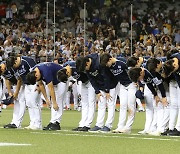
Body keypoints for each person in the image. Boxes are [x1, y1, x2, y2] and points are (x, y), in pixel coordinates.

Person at [77, 53, 118, 132]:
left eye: (86, 67)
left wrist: (107, 90)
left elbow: (106, 77)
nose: (86, 70)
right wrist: (97, 91)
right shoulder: (87, 67)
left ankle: (108, 125)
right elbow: (91, 79)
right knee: (101, 105)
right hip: (100, 86)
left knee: (110, 104)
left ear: (88, 63)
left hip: (111, 84)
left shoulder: (99, 62)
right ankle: (99, 124)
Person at [100, 53, 137, 134]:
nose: (106, 65)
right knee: (123, 105)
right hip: (122, 86)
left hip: (131, 85)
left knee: (130, 106)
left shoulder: (123, 62)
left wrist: (137, 81)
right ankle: (120, 126)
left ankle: (128, 127)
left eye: (107, 63)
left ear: (110, 59)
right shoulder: (109, 67)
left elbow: (134, 71)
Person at [57, 59, 96, 132]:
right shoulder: (65, 67)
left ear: (67, 72)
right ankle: (82, 124)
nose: (69, 77)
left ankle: (87, 125)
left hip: (91, 82)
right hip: (83, 83)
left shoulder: (77, 66)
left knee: (91, 103)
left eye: (68, 76)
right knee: (84, 103)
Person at [26, 62, 67, 130]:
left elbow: (51, 88)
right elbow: (41, 85)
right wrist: (47, 99)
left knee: (58, 100)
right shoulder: (34, 71)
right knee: (53, 100)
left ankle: (57, 122)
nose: (37, 80)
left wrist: (54, 103)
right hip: (54, 81)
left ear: (36, 75)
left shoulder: (45, 71)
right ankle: (52, 121)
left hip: (61, 79)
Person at [6, 55, 42, 130]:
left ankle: (38, 124)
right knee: (29, 103)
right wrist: (16, 92)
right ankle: (32, 123)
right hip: (26, 85)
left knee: (34, 103)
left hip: (34, 84)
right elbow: (19, 78)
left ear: (16, 61)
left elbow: (37, 72)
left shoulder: (27, 61)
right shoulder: (15, 67)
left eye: (13, 65)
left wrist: (38, 84)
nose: (14, 67)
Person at [162, 52, 180, 136]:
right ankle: (171, 128)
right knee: (174, 104)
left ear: (175, 65)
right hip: (175, 83)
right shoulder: (172, 59)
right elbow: (176, 76)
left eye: (173, 70)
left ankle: (178, 128)